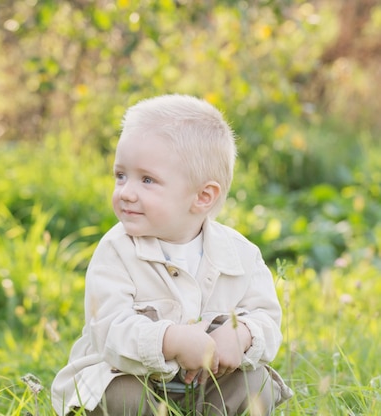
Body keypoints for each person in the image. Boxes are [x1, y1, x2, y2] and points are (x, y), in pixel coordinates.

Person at [51, 94, 293, 415]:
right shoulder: (116, 251)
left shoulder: (240, 255)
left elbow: (267, 319)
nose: (126, 192)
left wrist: (243, 334)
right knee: (120, 396)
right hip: (131, 376)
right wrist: (170, 340)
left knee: (255, 385)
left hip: (209, 383)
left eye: (147, 179)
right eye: (120, 175)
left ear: (202, 197)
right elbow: (107, 329)